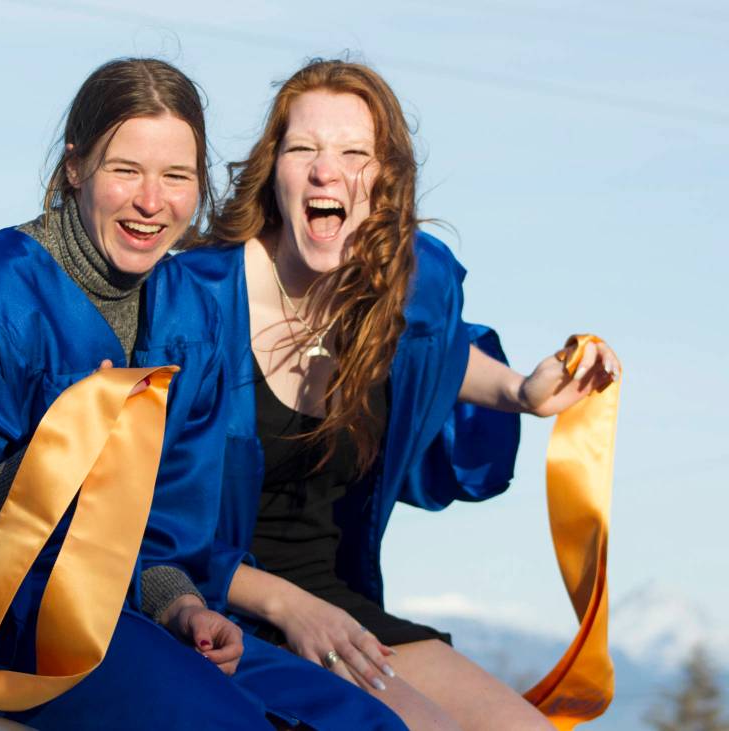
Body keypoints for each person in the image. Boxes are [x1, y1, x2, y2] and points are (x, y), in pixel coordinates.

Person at [0, 58, 407, 730]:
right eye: (126, 170)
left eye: (176, 177)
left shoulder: (189, 316)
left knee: (366, 724)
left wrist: (181, 606)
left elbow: (162, 534)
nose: (151, 202)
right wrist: (53, 464)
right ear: (76, 167)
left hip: (119, 616)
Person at [174, 59, 620, 731]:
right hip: (216, 601)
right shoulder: (197, 300)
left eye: (355, 153)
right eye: (305, 149)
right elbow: (146, 522)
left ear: (384, 183)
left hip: (339, 606)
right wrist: (288, 606)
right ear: (275, 170)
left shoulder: (396, 286)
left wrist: (521, 391)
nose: (328, 170)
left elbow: (429, 350)